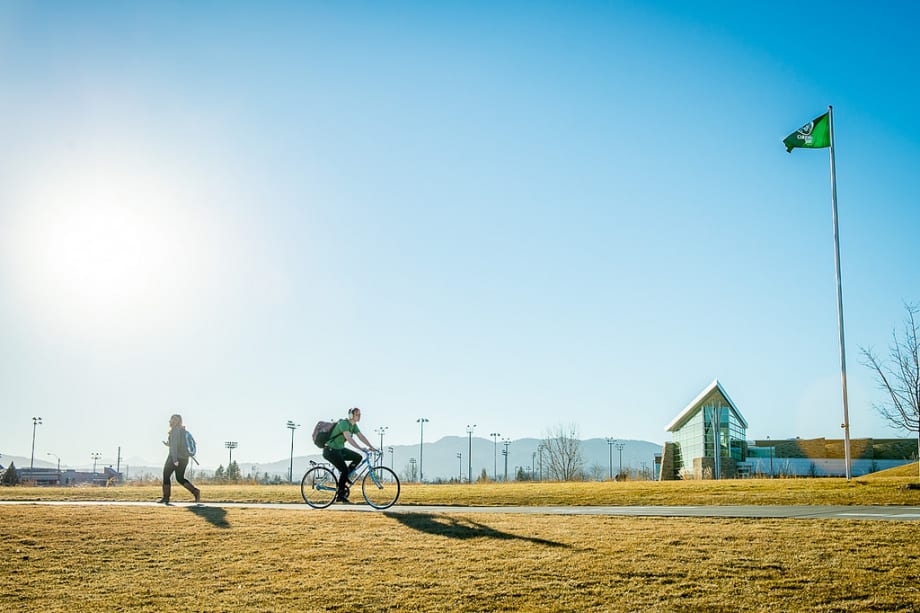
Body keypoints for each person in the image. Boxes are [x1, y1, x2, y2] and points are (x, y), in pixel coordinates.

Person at [322, 407, 378, 503]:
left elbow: (361, 436)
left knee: (358, 457)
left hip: (339, 449)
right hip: (330, 450)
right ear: (351, 415)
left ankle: (345, 476)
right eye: (357, 414)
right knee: (343, 470)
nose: (359, 416)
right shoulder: (343, 423)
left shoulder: (354, 425)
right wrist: (360, 448)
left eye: (360, 414)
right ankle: (340, 495)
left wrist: (371, 446)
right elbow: (349, 439)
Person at [158, 413, 201, 504]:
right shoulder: (182, 431)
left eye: (172, 419)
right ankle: (195, 492)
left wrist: (174, 460)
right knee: (180, 478)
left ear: (174, 421)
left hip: (175, 458)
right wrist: (168, 444)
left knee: (166, 475)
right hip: (185, 458)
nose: (171, 421)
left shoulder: (174, 431)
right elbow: (177, 444)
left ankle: (166, 498)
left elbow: (174, 447)